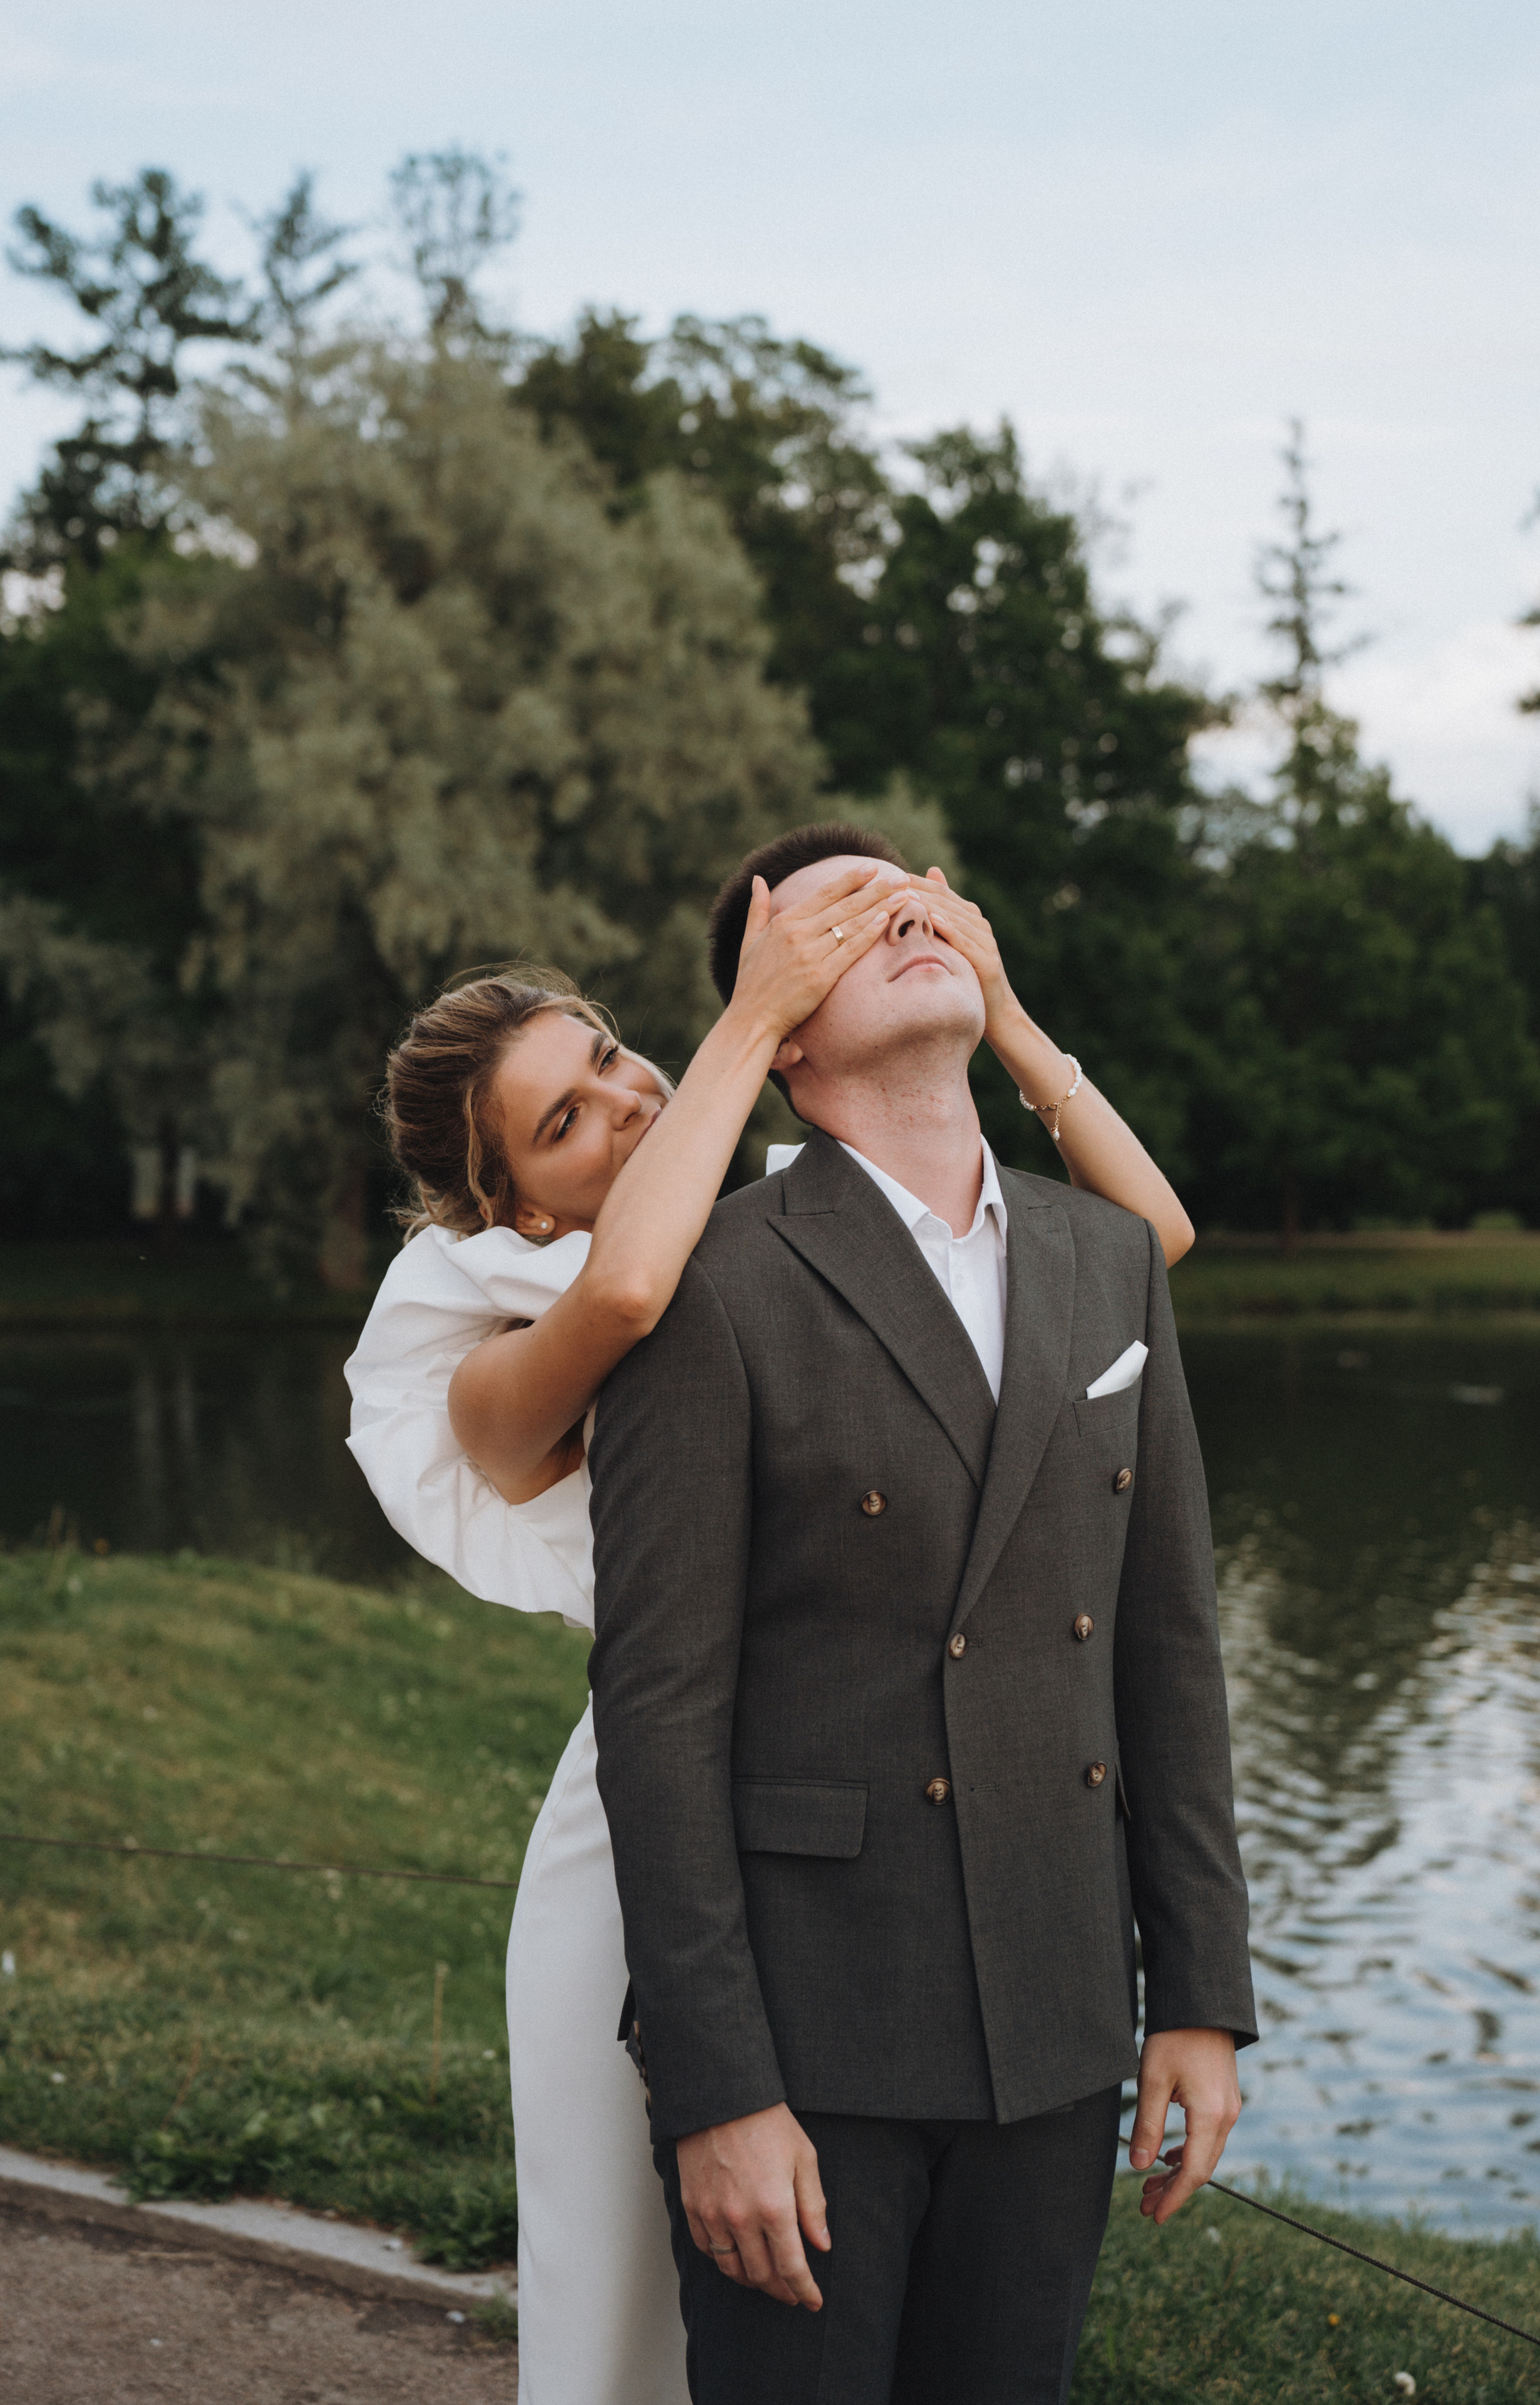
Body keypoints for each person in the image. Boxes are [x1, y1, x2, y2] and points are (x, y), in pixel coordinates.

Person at [344, 825, 1202, 2405]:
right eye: (564, 1120)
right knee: (637, 2324)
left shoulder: (777, 1222)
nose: (628, 1102)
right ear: (511, 1207)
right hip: (653, 1849)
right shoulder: (522, 1343)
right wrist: (759, 1015)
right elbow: (627, 1293)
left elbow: (1137, 1248)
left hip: (881, 1850)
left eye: (612, 1059)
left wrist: (1000, 1011)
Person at [586, 825, 1256, 2402]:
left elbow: (1168, 1648)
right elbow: (658, 1708)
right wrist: (718, 2090)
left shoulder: (1109, 1257)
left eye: (920, 899)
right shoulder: (708, 1280)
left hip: (1059, 2011)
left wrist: (1199, 1998)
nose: (902, 919)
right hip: (811, 2040)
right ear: (784, 1033)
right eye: (841, 921)